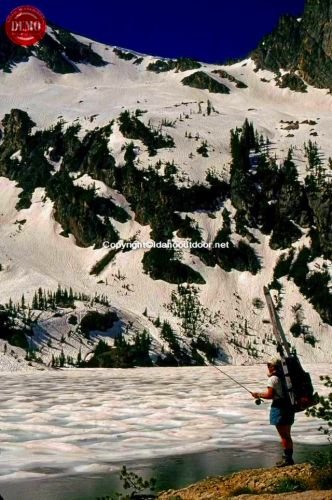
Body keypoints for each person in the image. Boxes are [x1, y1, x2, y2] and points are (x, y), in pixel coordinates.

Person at [251, 356, 295, 467]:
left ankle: (287, 459)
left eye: (268, 365)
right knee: (287, 434)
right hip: (289, 406)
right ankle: (289, 458)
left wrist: (258, 394)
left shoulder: (273, 379)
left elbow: (270, 395)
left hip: (279, 407)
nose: (267, 367)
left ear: (272, 366)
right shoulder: (286, 377)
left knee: (284, 435)